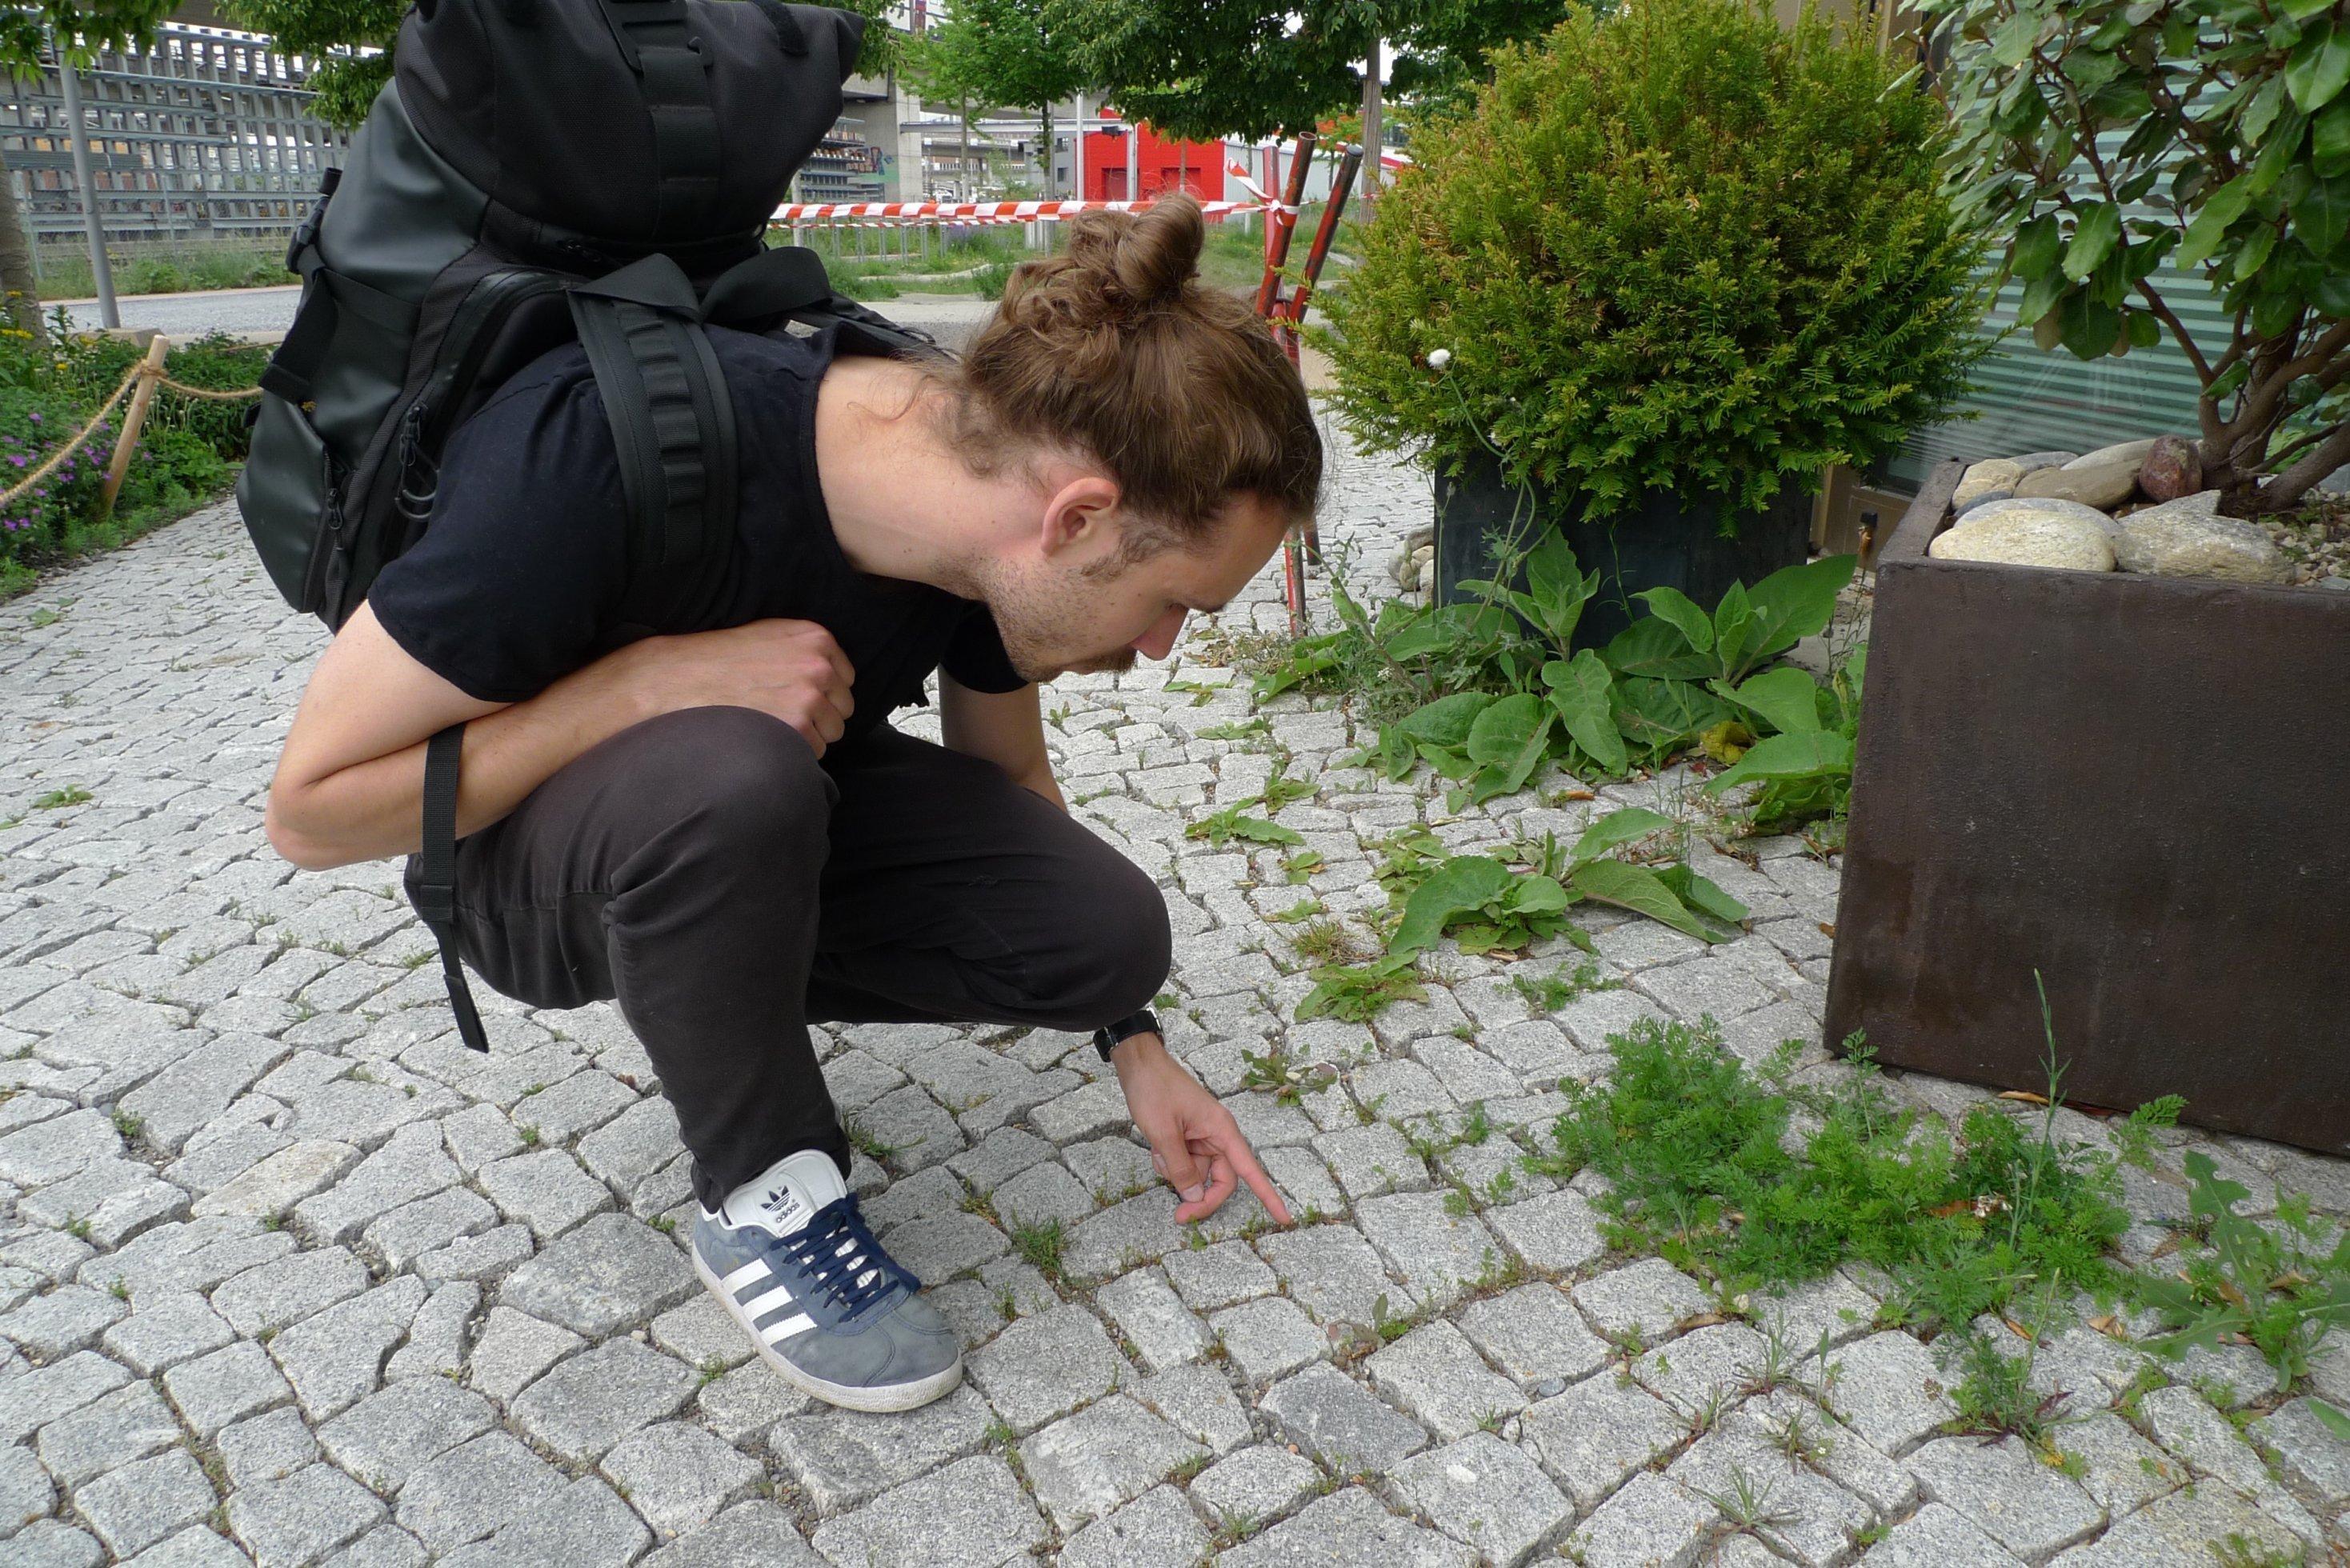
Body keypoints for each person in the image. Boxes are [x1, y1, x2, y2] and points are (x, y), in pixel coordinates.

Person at [261, 196, 1322, 1414]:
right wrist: (645, 686)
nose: (1160, 648)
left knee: (1099, 933)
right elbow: (312, 812)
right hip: (536, 871)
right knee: (734, 772)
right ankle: (764, 1197)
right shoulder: (599, 448)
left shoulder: (983, 523)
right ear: (1077, 518)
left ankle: (718, 986)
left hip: (757, 822)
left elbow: (1009, 785)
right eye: (1174, 602)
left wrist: (1132, 1038)